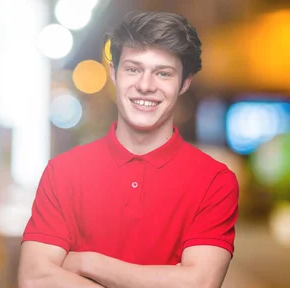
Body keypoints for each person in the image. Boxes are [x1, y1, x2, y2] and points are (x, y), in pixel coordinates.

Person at [18, 11, 239, 288]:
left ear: (184, 83)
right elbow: (34, 278)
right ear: (114, 73)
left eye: (163, 73)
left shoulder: (215, 181)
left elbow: (199, 283)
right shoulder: (62, 172)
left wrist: (88, 262)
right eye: (133, 69)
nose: (145, 86)